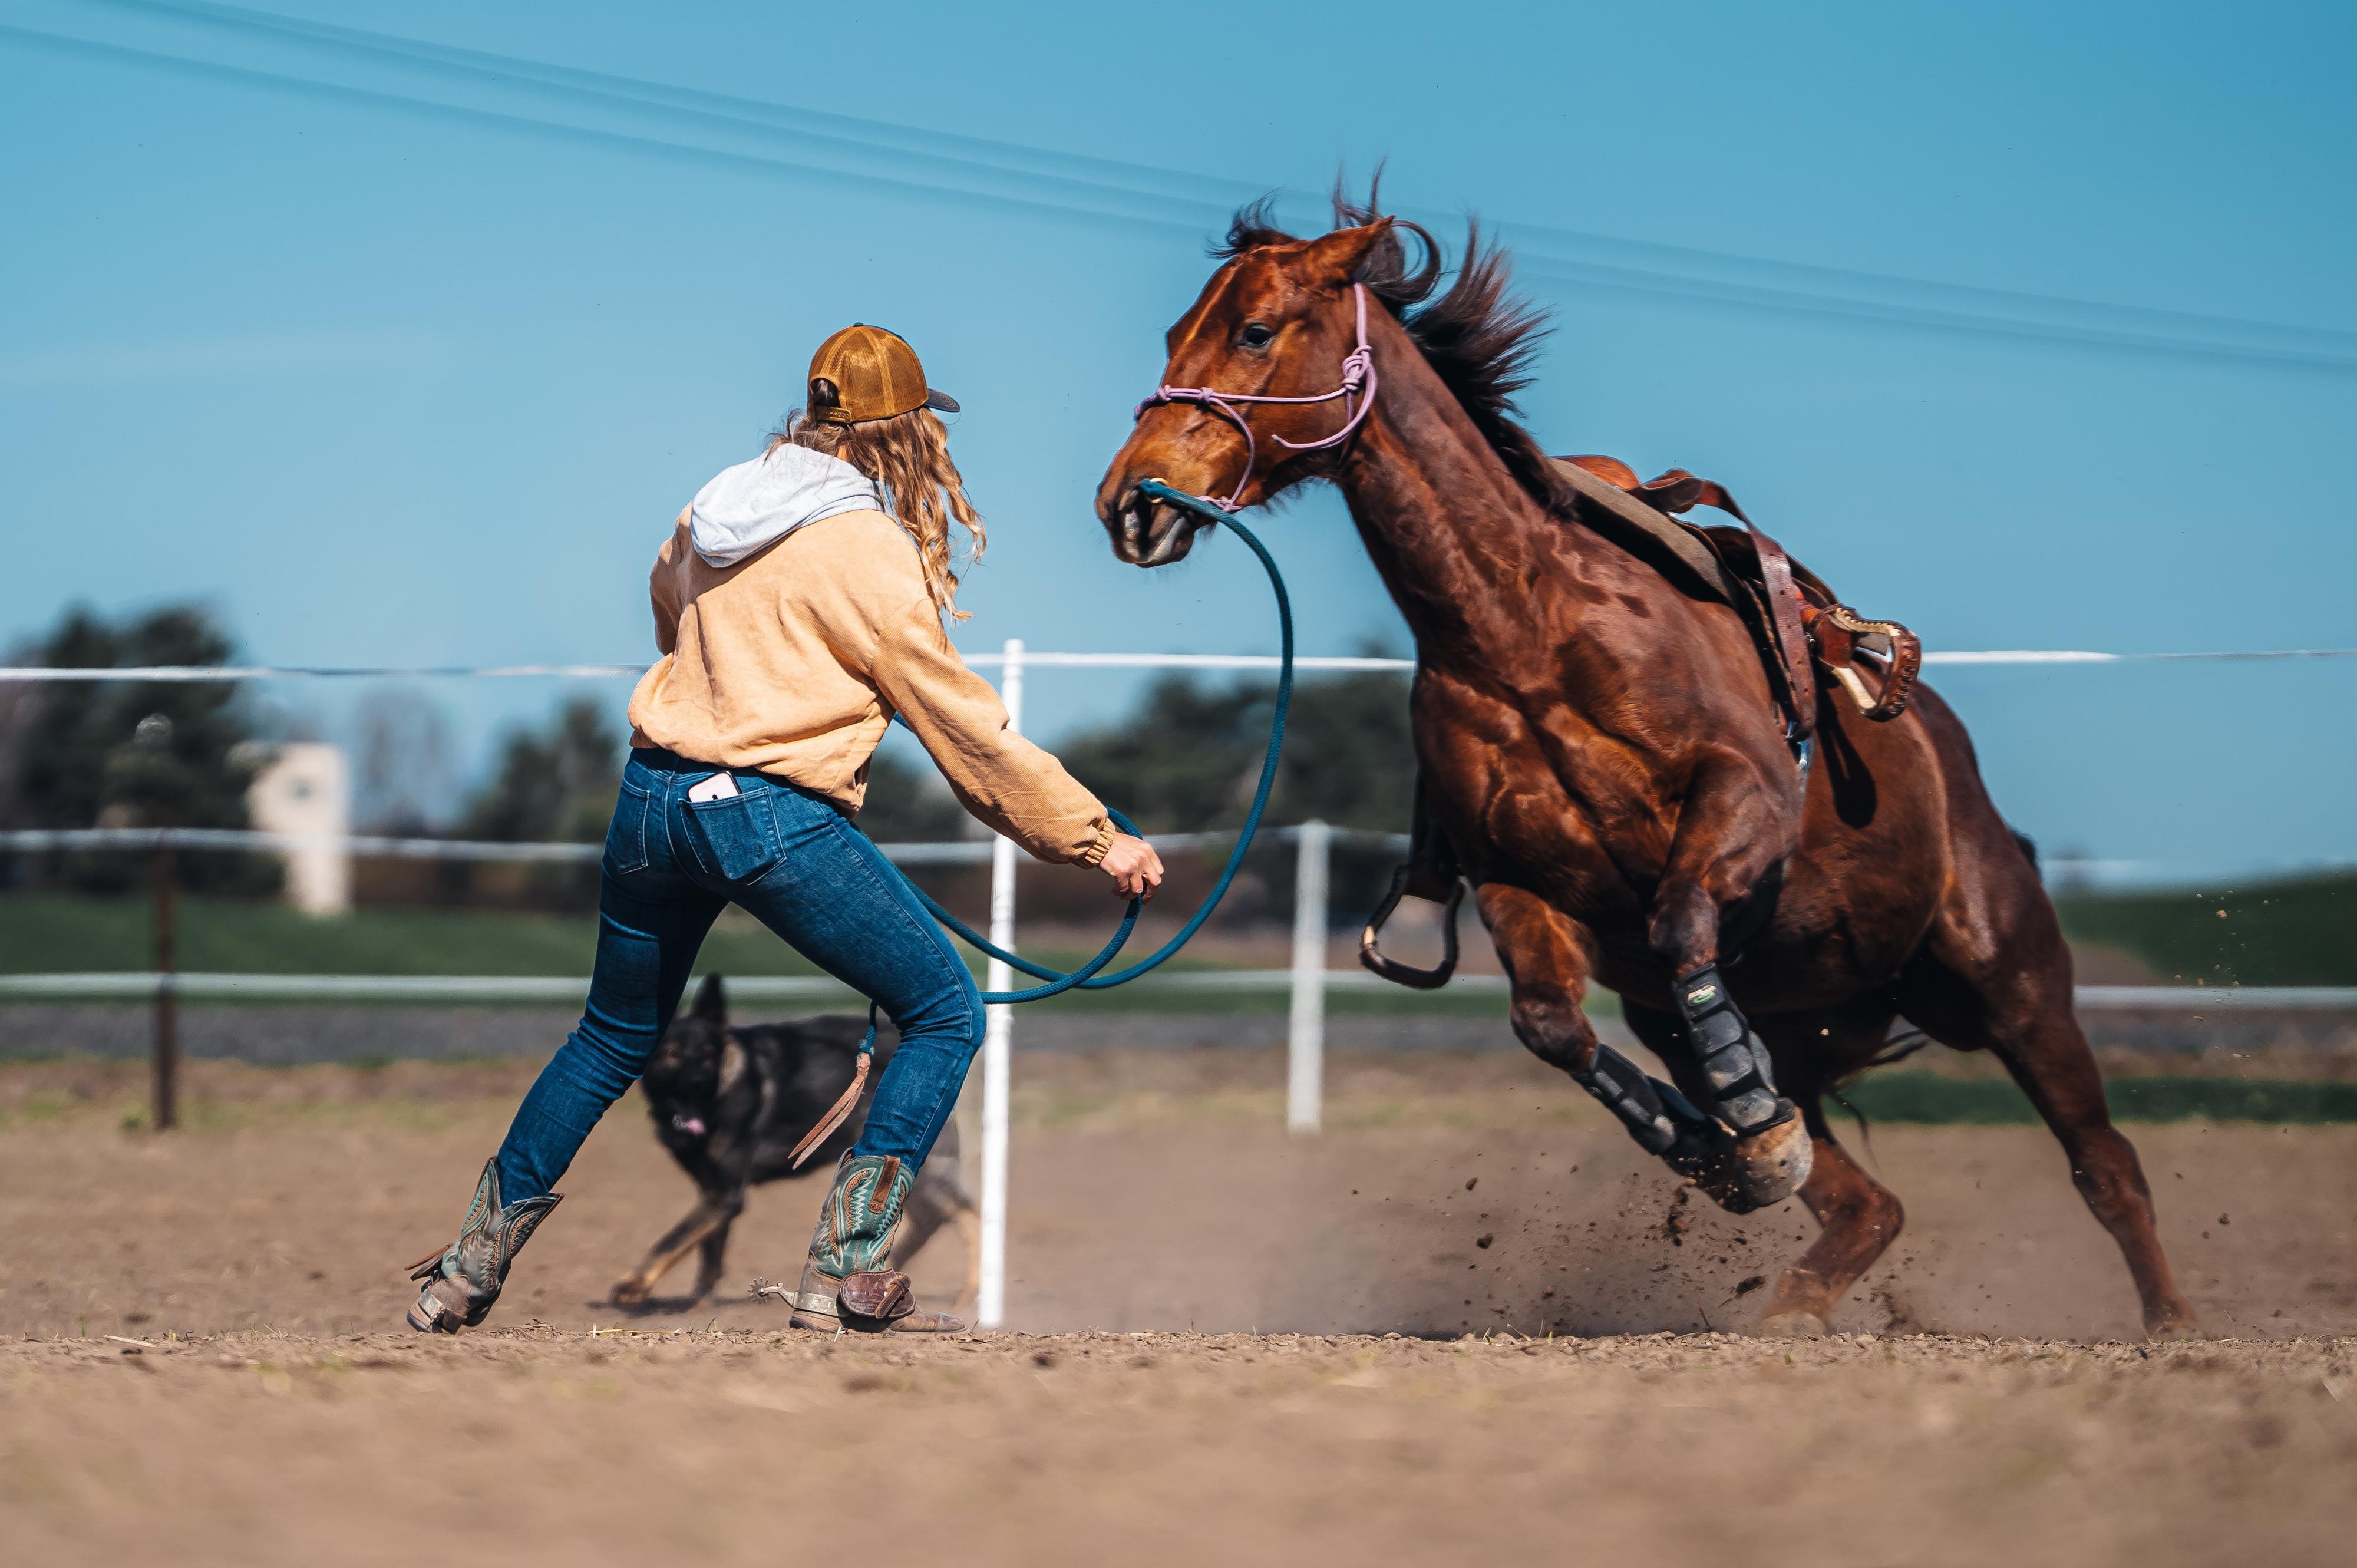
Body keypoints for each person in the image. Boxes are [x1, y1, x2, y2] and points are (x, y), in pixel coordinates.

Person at [406, 323, 1163, 1335]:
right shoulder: (869, 548)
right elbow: (961, 727)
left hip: (650, 799)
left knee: (611, 1037)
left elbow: (668, 608)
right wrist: (1095, 836)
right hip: (764, 813)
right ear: (907, 434)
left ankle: (466, 1266)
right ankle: (844, 1270)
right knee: (945, 1011)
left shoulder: (714, 505)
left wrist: (722, 691)